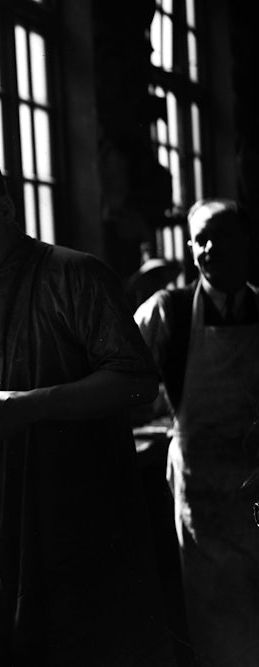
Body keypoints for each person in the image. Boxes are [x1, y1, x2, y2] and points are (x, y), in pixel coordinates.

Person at [0, 142, 176, 665]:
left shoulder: (76, 276)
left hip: (79, 525)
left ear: (5, 209)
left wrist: (30, 406)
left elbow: (138, 382)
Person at [134, 198, 259, 667]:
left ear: (247, 242)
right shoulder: (167, 312)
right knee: (218, 629)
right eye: (201, 239)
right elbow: (121, 376)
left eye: (222, 236)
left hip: (255, 489)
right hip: (202, 497)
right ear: (190, 248)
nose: (210, 249)